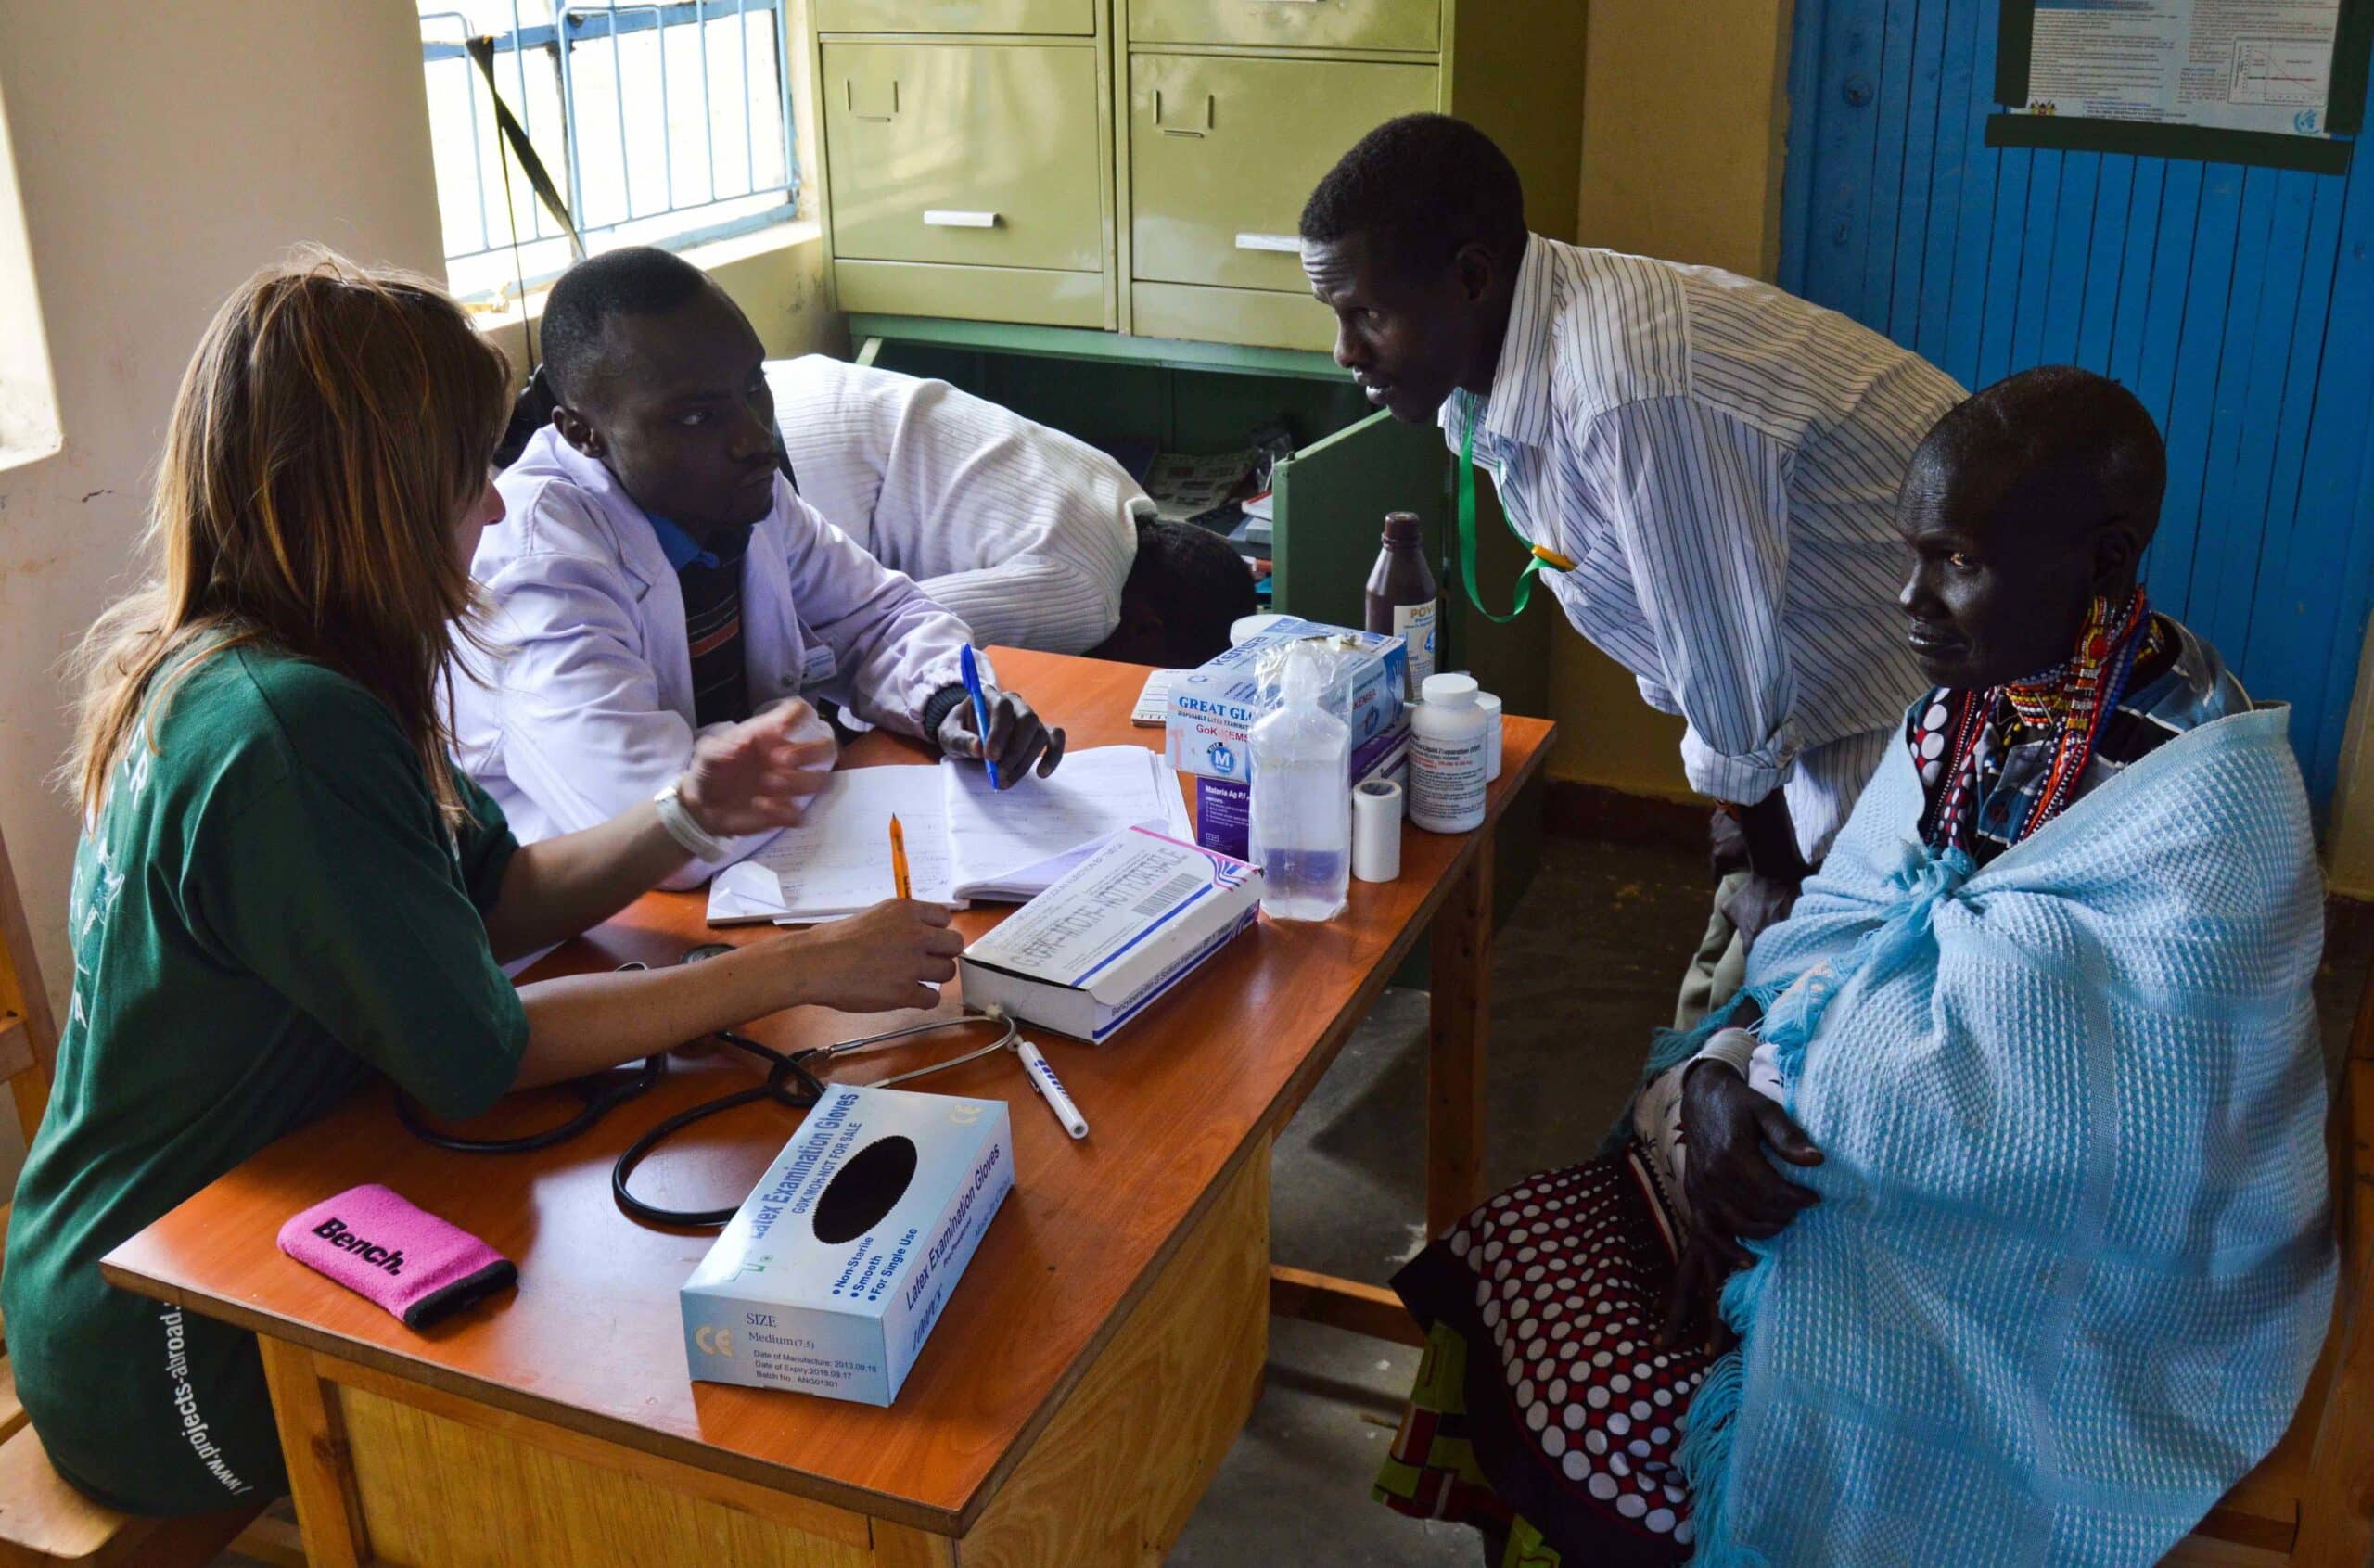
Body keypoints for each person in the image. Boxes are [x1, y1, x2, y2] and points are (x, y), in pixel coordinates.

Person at [2, 255, 966, 1518]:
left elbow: (494, 898)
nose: (497, 514)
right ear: (379, 493)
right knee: (656, 1420)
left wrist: (680, 811)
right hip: (171, 1339)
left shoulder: (248, 662)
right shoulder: (289, 729)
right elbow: (485, 1050)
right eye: (470, 479)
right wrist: (799, 965)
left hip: (148, 1265)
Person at [1373, 367, 2332, 1567]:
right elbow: (1838, 919)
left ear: (2102, 562)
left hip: (2078, 1268)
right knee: (1527, 1249)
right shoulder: (1969, 711)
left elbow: (2119, 1130)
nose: (1908, 597)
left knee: (1634, 1406)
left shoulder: (2205, 796)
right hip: (1861, 1155)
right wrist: (1728, 1065)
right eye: (1910, 553)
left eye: (1956, 560)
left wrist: (1787, 1121)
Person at [1300, 114, 1966, 1026]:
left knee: (1844, 1051)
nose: (1344, 351)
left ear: (1470, 277)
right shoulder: (1491, 372)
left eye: (1366, 313)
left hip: (1928, 704)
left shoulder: (1627, 387)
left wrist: (1767, 867)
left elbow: (1724, 666)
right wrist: (1746, 835)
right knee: (1746, 1014)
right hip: (1817, 708)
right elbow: (1683, 632)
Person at [456, 248, 1064, 886]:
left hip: (768, 873)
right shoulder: (539, 566)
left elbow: (882, 615)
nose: (754, 437)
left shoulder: (740, 489)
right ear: (584, 434)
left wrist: (948, 699)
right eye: (696, 416)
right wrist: (815, 731)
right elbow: (667, 828)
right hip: (601, 937)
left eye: (754, 387)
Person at [760, 355, 1252, 666]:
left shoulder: (1123, 497)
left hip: (790, 393)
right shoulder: (1089, 598)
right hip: (801, 461)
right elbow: (895, 631)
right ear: (1147, 627)